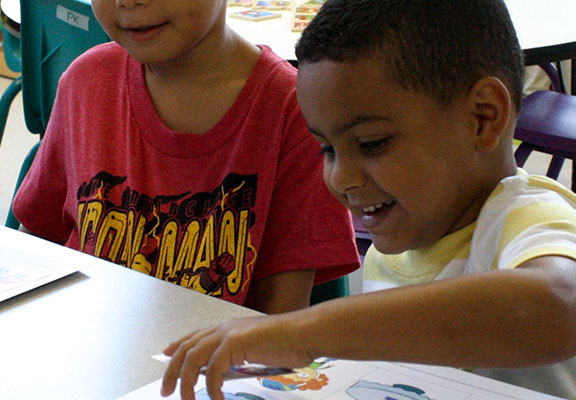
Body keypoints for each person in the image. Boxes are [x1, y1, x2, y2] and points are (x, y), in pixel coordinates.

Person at [160, 0, 576, 400]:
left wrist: (304, 331)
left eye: (371, 144)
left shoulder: (530, 217)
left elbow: (555, 312)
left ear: (483, 117)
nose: (340, 177)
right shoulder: (394, 249)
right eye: (327, 148)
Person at [11, 0, 359, 314]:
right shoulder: (85, 82)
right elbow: (33, 250)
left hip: (212, 373)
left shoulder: (293, 113)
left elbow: (280, 320)